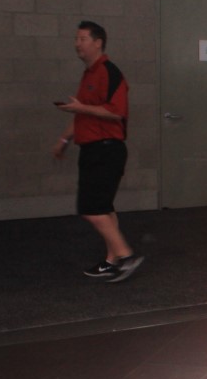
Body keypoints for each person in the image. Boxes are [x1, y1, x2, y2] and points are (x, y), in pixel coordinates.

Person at [52, 20, 143, 282]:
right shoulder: (88, 74)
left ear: (97, 42)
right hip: (92, 150)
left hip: (107, 150)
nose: (77, 44)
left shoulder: (110, 73)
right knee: (104, 208)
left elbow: (116, 113)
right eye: (76, 39)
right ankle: (111, 261)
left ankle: (125, 255)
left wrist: (81, 109)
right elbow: (83, 114)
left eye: (82, 39)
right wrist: (64, 140)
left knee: (92, 208)